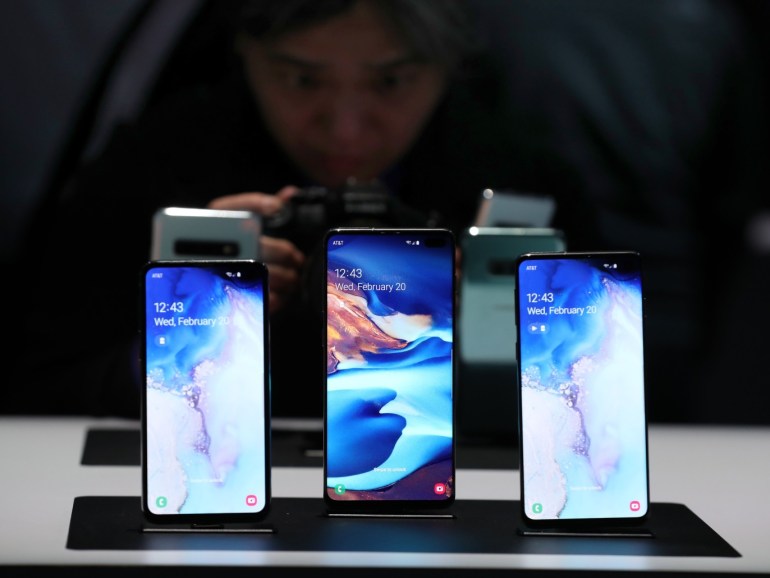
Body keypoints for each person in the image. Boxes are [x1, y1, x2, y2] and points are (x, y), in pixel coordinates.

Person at [10, 0, 530, 419]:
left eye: (390, 82)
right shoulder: (152, 170)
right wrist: (173, 339)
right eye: (302, 80)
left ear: (447, 70)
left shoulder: (515, 181)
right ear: (246, 55)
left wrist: (490, 332)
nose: (345, 130)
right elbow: (36, 390)